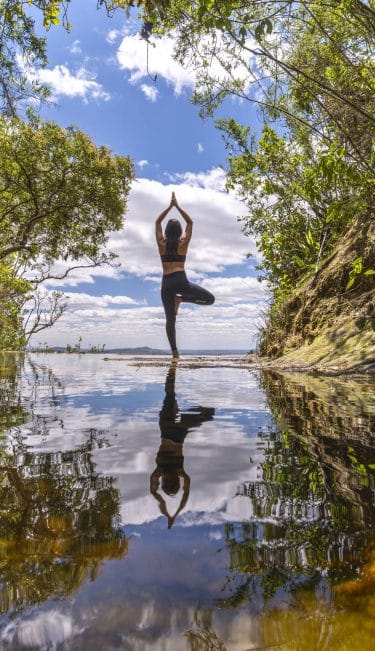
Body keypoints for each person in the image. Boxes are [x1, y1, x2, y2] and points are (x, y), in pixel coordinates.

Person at [149, 365, 214, 528]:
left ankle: (188, 409)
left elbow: (185, 494)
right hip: (166, 428)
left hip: (179, 433)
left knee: (209, 414)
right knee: (169, 395)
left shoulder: (180, 472)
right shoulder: (159, 472)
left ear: (177, 481)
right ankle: (172, 370)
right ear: (163, 481)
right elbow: (154, 494)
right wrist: (169, 514)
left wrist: (175, 514)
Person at [156, 192, 215, 359]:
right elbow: (190, 222)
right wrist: (177, 206)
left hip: (167, 282)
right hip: (181, 281)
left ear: (167, 231)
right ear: (179, 230)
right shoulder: (183, 244)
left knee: (170, 320)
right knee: (210, 299)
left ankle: (175, 353)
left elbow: (157, 222)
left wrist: (169, 207)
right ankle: (181, 299)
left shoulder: (162, 244)